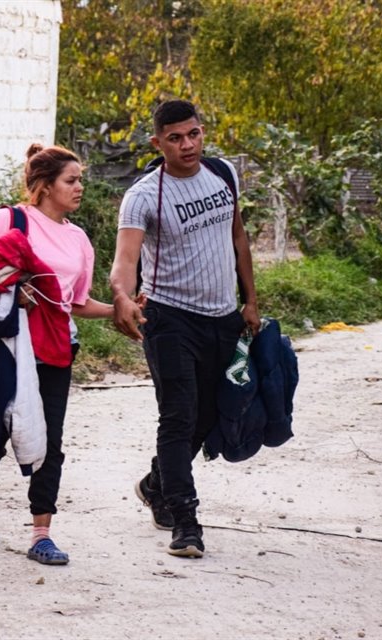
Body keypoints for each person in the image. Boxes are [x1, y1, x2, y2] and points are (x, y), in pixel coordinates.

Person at [0, 144, 113, 565]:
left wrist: (119, 311)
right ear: (44, 185)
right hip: (6, 347)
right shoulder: (7, 220)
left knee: (50, 441)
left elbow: (75, 303)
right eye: (71, 181)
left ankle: (41, 534)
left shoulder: (78, 239)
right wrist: (10, 292)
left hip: (56, 350)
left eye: (80, 180)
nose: (80, 188)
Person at [109, 99, 261, 558]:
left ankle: (157, 484)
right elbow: (125, 261)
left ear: (202, 131)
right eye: (174, 138)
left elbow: (238, 238)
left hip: (223, 316)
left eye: (193, 134)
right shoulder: (143, 195)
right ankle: (186, 521)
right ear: (158, 143)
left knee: (210, 415)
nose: (187, 145)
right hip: (170, 318)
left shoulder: (224, 174)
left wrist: (250, 301)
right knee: (178, 417)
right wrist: (121, 296)